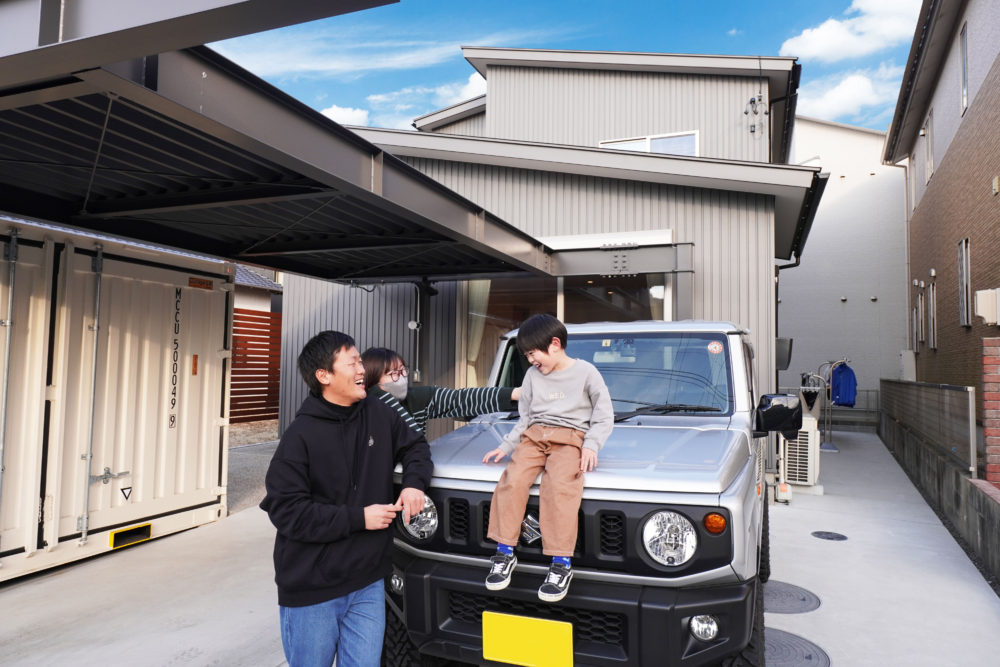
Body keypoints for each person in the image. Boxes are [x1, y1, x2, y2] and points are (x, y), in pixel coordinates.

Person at [260, 331, 432, 667]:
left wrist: (414, 484)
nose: (361, 370)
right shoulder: (300, 437)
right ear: (324, 376)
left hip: (368, 581)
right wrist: (358, 518)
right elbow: (286, 511)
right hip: (313, 588)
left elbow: (416, 446)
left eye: (360, 361)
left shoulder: (378, 412)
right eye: (352, 362)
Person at [481, 314, 613, 602]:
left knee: (560, 489)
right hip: (534, 436)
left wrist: (591, 445)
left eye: (533, 353)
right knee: (512, 480)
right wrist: (505, 446)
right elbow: (525, 418)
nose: (530, 360)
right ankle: (504, 553)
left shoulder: (587, 373)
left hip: (570, 438)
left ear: (555, 344)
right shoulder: (532, 377)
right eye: (527, 355)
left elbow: (604, 415)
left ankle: (560, 563)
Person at [361, 347, 521, 435]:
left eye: (403, 370)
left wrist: (513, 394)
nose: (402, 378)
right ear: (372, 381)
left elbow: (461, 399)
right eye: (393, 374)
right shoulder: (363, 409)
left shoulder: (416, 398)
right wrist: (377, 394)